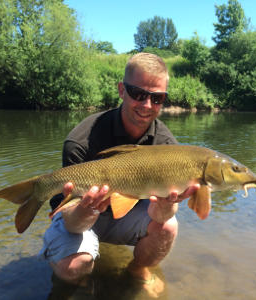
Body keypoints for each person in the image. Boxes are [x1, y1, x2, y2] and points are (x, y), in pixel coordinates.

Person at [39, 52, 199, 297]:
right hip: (82, 215)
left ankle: (137, 268)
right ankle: (79, 282)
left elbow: (162, 216)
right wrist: (85, 211)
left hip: (127, 212)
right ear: (122, 90)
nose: (147, 105)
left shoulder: (167, 146)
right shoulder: (80, 141)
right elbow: (70, 222)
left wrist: (166, 208)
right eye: (138, 94)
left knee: (168, 226)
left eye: (157, 98)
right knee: (73, 269)